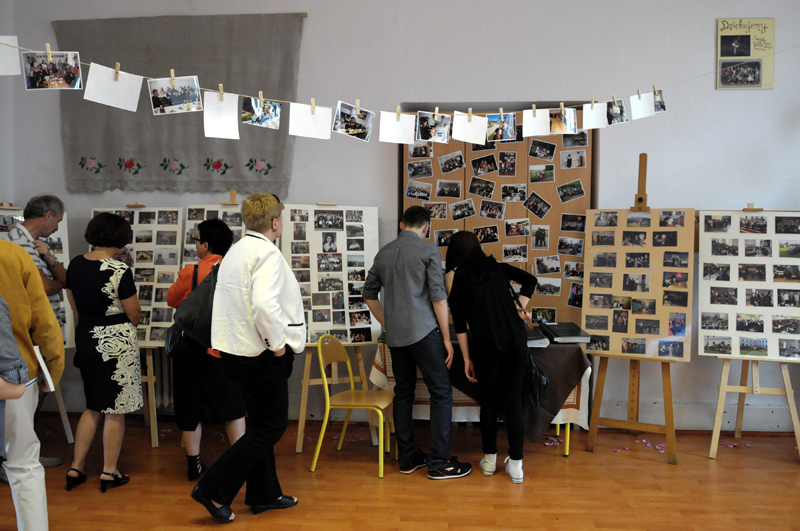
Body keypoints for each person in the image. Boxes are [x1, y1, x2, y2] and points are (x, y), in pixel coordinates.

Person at [192, 193, 305, 523]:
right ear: (275, 223)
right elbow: (264, 306)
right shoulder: (266, 253)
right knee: (271, 426)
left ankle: (264, 494)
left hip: (236, 351)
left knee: (259, 423)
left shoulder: (237, 250)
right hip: (262, 352)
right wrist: (278, 346)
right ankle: (212, 489)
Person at [363, 206, 471, 480]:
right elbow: (438, 297)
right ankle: (439, 462)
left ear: (401, 224)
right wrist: (446, 339)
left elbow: (368, 295)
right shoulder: (428, 250)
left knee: (403, 393)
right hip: (424, 332)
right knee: (441, 393)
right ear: (427, 228)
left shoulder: (384, 253)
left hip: (396, 337)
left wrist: (389, 323)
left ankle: (408, 458)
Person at [444, 231, 537, 484]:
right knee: (514, 402)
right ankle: (516, 466)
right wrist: (519, 306)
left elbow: (460, 325)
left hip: (486, 347)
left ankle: (489, 460)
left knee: (489, 403)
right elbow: (530, 280)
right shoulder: (497, 268)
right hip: (516, 343)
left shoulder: (457, 279)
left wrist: (466, 359)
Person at [65, 212, 143, 494]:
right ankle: (109, 471)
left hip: (87, 336)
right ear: (120, 238)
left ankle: (76, 467)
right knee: (116, 408)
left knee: (93, 404)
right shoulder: (120, 269)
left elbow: (74, 304)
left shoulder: (75, 264)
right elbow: (133, 313)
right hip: (116, 340)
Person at [166, 219, 246, 481]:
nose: (195, 245)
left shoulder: (190, 272)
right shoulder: (238, 271)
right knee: (233, 407)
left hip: (192, 352)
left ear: (206, 245)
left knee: (189, 407)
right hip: (227, 349)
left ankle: (194, 464)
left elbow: (172, 300)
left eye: (197, 240)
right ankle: (239, 463)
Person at [0, 238, 65, 530]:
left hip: (14, 375)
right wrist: (53, 368)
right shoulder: (11, 254)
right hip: (16, 372)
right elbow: (42, 318)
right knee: (23, 463)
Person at [2, 194, 67, 477]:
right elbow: (45, 288)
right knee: (24, 406)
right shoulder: (16, 244)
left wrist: (51, 260)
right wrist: (58, 280)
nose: (57, 227)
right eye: (58, 220)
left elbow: (61, 281)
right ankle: (15, 460)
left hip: (33, 337)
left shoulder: (33, 244)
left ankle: (22, 456)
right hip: (26, 340)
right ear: (47, 215)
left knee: (29, 406)